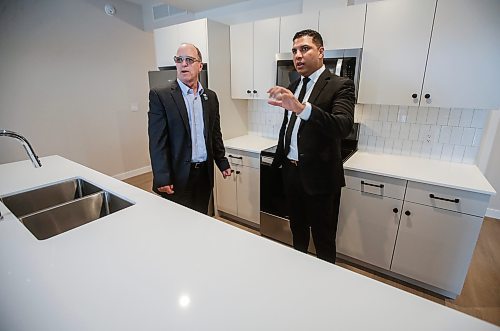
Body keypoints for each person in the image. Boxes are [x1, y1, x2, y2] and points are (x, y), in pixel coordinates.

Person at [267, 29, 355, 264]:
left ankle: (324, 288)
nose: (297, 55)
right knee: (298, 232)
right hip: (292, 173)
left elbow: (343, 126)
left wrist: (301, 108)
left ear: (321, 52)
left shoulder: (340, 85)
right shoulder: (294, 83)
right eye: (294, 50)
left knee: (324, 238)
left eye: (304, 49)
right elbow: (289, 126)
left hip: (321, 179)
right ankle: (299, 273)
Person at [148, 43, 232, 214]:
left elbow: (215, 133)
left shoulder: (210, 97)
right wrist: (162, 177)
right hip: (176, 176)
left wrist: (222, 162)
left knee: (201, 218)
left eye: (189, 60)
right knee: (177, 225)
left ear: (200, 65)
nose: (183, 64)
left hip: (203, 175)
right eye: (179, 60)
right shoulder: (161, 95)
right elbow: (157, 142)